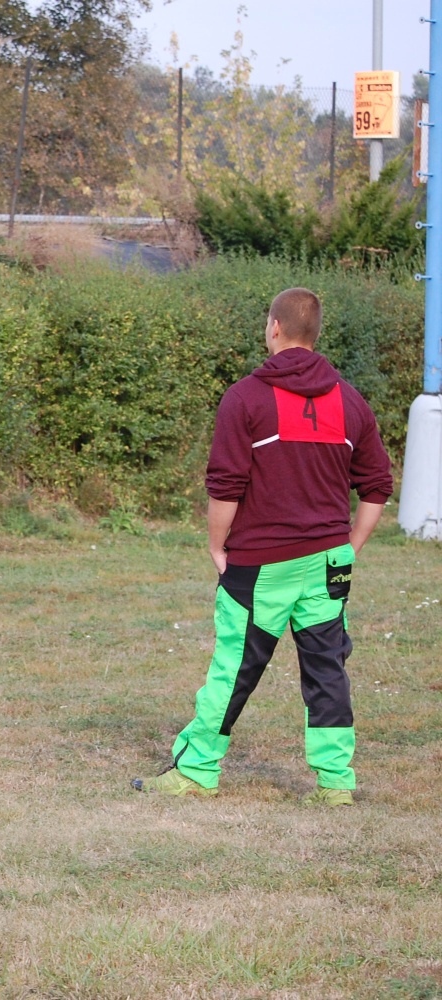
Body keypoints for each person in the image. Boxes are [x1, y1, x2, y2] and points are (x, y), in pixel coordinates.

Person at [134, 288, 392, 805]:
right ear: (314, 334)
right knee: (327, 670)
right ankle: (336, 784)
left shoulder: (245, 397)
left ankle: (197, 771)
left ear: (274, 327)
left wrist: (216, 545)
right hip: (328, 563)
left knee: (233, 668)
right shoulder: (350, 399)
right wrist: (349, 546)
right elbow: (378, 486)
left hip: (262, 564)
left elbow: (225, 486)